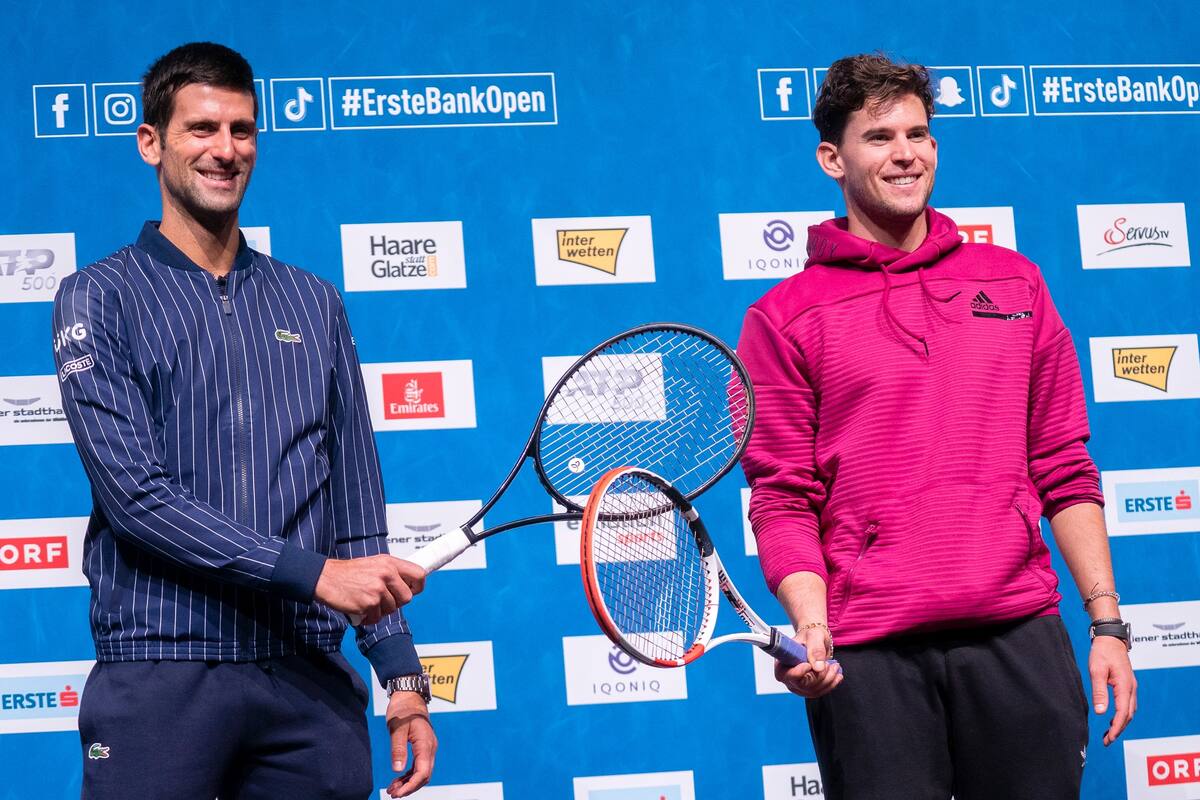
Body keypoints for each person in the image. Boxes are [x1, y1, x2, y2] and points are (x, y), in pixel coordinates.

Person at [738, 53, 1137, 799]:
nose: (905, 154)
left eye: (919, 134)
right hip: (871, 656)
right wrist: (812, 625)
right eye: (879, 136)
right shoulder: (783, 317)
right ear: (833, 158)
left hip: (1018, 637)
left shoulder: (1014, 283)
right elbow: (784, 496)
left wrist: (1107, 625)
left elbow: (1063, 466)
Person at [52, 42, 434, 799]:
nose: (225, 151)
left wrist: (402, 675)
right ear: (151, 143)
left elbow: (356, 514)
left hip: (304, 679)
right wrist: (315, 575)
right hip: (161, 673)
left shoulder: (314, 302)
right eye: (201, 129)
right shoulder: (95, 297)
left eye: (242, 130)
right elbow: (138, 500)